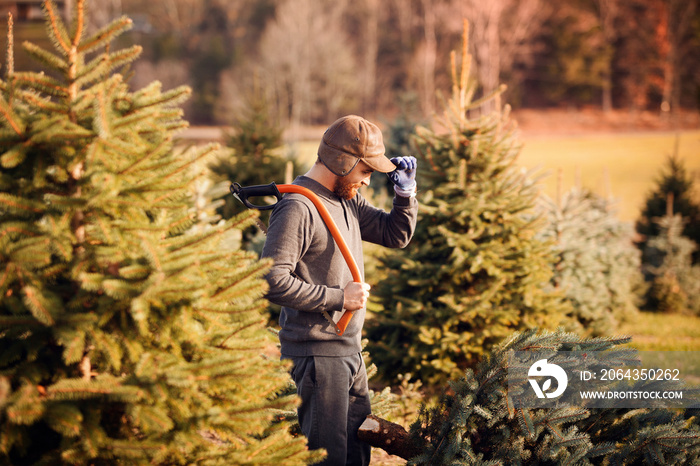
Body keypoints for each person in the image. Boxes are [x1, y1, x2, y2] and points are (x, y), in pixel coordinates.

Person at [261, 115, 418, 465]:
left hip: (348, 352)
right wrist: (338, 298)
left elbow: (395, 235)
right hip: (317, 354)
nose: (368, 179)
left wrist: (405, 194)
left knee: (355, 454)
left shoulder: (345, 199)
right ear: (342, 161)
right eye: (365, 171)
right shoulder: (298, 207)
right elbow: (271, 280)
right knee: (329, 459)